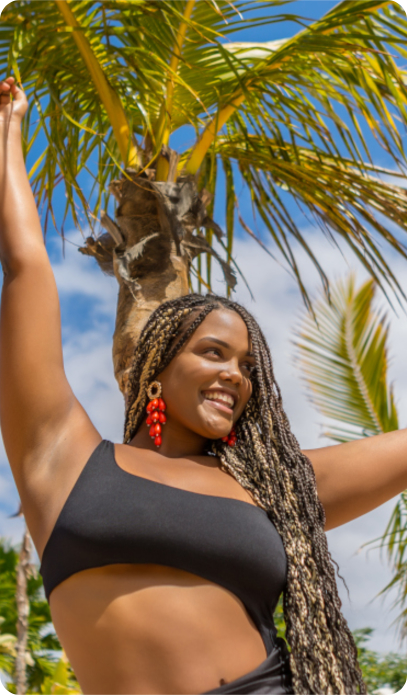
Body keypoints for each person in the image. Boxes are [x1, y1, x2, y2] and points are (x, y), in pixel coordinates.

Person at [1, 75, 407, 695]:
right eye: (214, 353)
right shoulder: (64, 456)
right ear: (155, 365)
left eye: (248, 367)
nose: (235, 377)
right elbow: (27, 267)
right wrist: (7, 131)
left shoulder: (272, 484)